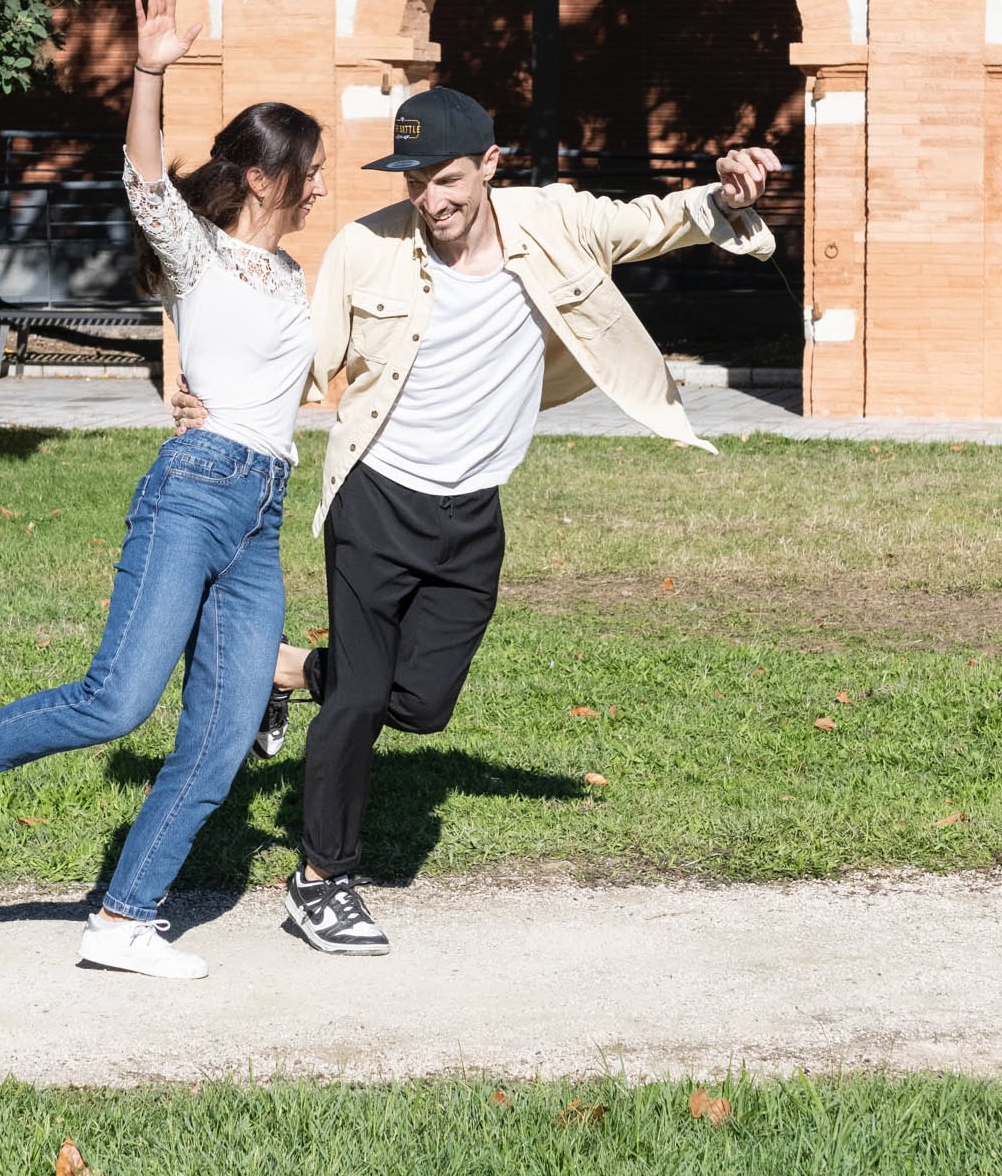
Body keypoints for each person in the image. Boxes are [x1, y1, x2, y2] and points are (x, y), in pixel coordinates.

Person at [177, 84, 777, 956]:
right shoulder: (367, 245)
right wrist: (213, 400)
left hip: (472, 511)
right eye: (416, 180)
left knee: (419, 706)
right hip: (375, 498)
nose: (432, 199)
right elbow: (298, 354)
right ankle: (320, 880)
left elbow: (655, 219)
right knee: (357, 701)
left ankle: (289, 670)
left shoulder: (553, 221)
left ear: (490, 165)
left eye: (449, 178)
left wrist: (723, 196)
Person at [0, 0, 327, 980]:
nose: (321, 187)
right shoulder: (202, 254)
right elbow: (147, 178)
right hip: (195, 489)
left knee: (224, 730)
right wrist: (149, 71)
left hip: (262, 505)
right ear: (264, 177)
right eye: (310, 172)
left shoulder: (289, 278)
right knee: (116, 701)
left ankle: (120, 920)